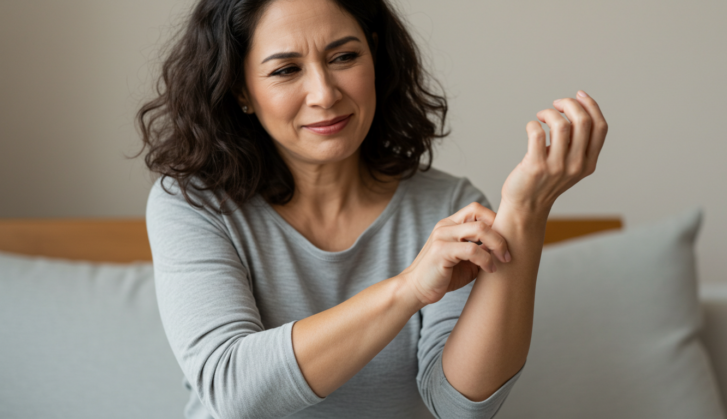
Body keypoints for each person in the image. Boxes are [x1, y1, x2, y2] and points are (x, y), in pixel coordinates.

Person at [136, 0, 608, 417]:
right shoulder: (193, 204)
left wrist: (525, 212)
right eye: (286, 70)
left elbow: (458, 406)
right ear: (241, 91)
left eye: (344, 57)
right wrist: (408, 289)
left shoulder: (447, 205)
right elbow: (235, 392)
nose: (324, 93)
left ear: (375, 58)